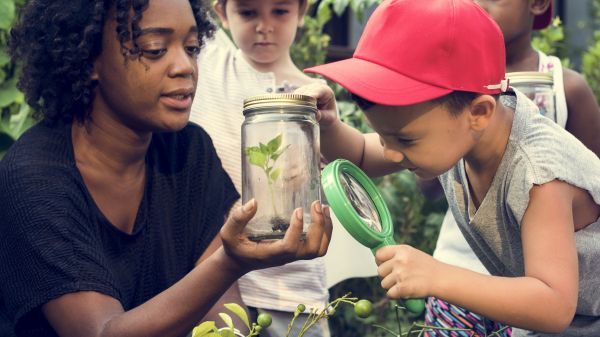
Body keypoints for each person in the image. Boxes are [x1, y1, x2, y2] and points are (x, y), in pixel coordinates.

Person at [0, 1, 332, 337]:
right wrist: (231, 262)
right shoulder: (35, 177)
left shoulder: (187, 151)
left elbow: (226, 320)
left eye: (191, 48)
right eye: (154, 49)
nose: (185, 66)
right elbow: (100, 332)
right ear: (89, 60)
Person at [297, 0, 600, 336]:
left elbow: (554, 305)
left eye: (404, 141)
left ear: (479, 113)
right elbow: (363, 157)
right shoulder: (457, 131)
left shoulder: (539, 175)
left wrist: (437, 275)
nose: (392, 154)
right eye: (385, 137)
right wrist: (326, 126)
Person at [190, 1, 375, 336]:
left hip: (293, 289)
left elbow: (334, 185)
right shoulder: (211, 62)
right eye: (248, 13)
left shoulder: (314, 100)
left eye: (280, 11)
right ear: (222, 15)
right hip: (215, 283)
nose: (265, 26)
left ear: (302, 12)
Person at [424, 0, 600, 335]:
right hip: (455, 273)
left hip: (537, 288)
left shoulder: (566, 89)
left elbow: (589, 195)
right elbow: (429, 186)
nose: (478, 4)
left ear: (537, 4)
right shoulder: (452, 87)